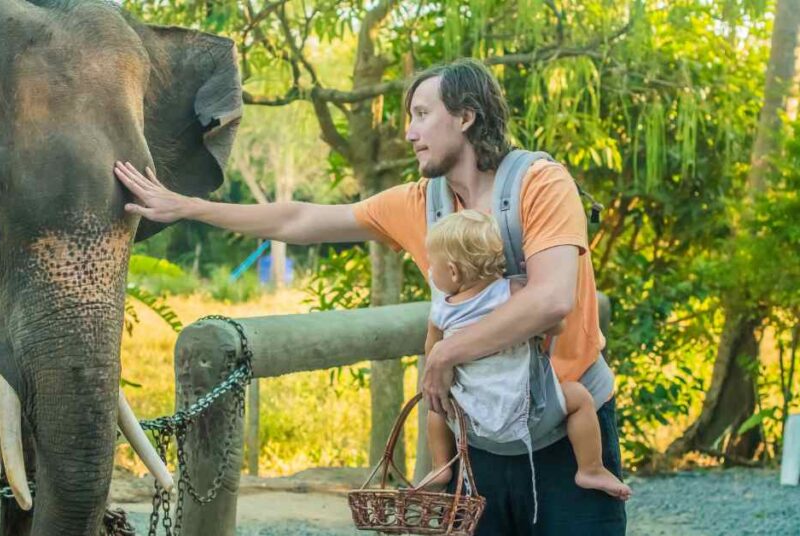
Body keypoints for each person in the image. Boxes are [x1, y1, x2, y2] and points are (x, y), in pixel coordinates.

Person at [114, 58, 628, 534]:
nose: (410, 132)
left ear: (467, 116)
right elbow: (300, 218)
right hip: (480, 448)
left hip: (566, 436)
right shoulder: (420, 204)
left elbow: (552, 299)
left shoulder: (541, 184)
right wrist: (187, 206)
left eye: (423, 115)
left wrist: (445, 352)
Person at [417, 209, 631, 508]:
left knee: (436, 407)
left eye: (432, 266)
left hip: (469, 414)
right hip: (524, 407)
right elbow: (556, 325)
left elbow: (432, 351)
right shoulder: (514, 291)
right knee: (579, 398)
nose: (430, 271)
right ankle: (590, 468)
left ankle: (441, 465)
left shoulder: (442, 310)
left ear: (452, 272)